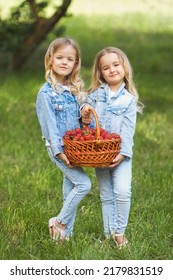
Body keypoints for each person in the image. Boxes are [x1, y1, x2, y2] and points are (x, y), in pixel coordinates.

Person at [81, 47, 143, 249]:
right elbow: (84, 105)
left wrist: (124, 153)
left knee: (123, 192)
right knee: (106, 194)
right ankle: (109, 235)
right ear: (100, 73)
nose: (112, 70)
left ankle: (120, 232)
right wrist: (85, 111)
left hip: (120, 155)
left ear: (124, 66)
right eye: (106, 67)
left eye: (116, 65)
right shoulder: (97, 95)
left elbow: (128, 130)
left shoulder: (128, 100)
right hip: (100, 154)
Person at [36, 37, 91, 243]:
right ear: (50, 60)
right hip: (58, 148)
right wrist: (59, 152)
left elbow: (82, 122)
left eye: (70, 59)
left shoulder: (75, 91)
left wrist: (86, 117)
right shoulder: (46, 93)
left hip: (75, 148)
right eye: (59, 57)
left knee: (71, 187)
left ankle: (64, 236)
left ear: (75, 64)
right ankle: (58, 223)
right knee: (83, 184)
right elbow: (49, 126)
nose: (64, 62)